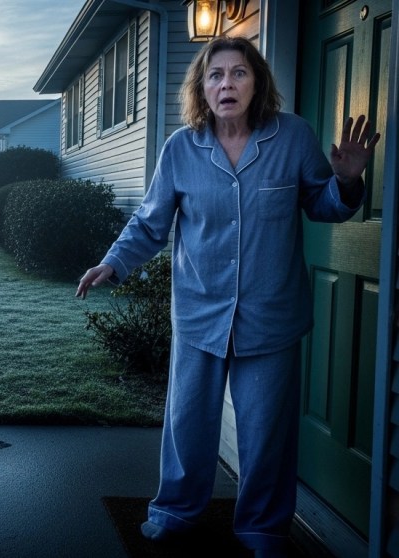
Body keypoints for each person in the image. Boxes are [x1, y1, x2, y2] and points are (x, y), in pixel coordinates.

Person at [75, 37, 380, 557]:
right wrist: (114, 262)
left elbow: (323, 207)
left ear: (256, 82)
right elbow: (151, 223)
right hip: (200, 312)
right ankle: (175, 511)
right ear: (202, 87)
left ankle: (263, 530)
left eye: (239, 73)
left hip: (272, 316)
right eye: (215, 76)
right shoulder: (181, 148)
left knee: (265, 436)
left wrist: (348, 181)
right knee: (188, 425)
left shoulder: (292, 137)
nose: (226, 85)